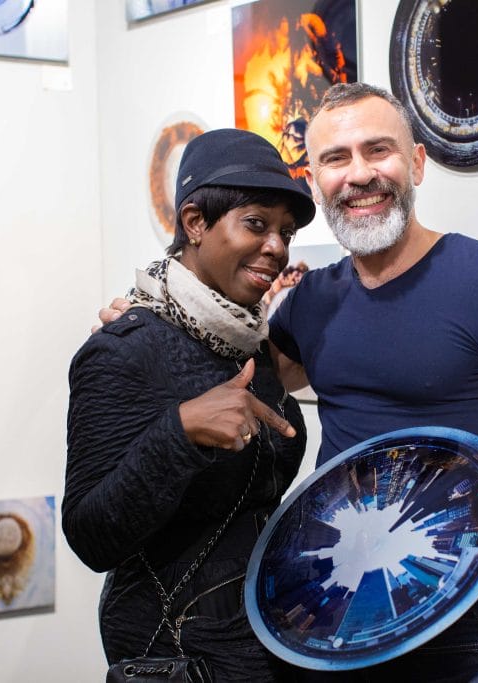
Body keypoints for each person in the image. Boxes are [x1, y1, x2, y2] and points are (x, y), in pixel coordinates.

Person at [102, 83, 478, 681]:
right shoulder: (311, 302)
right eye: (336, 159)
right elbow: (230, 379)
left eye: (377, 151)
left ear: (415, 163)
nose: (358, 174)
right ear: (315, 180)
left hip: (452, 640)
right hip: (320, 630)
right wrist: (148, 322)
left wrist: (432, 542)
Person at [64, 128, 315, 682]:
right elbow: (88, 533)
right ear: (196, 222)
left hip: (260, 647)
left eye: (286, 232)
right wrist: (179, 433)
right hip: (177, 654)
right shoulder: (124, 350)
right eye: (256, 224)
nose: (276, 247)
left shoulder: (252, 342)